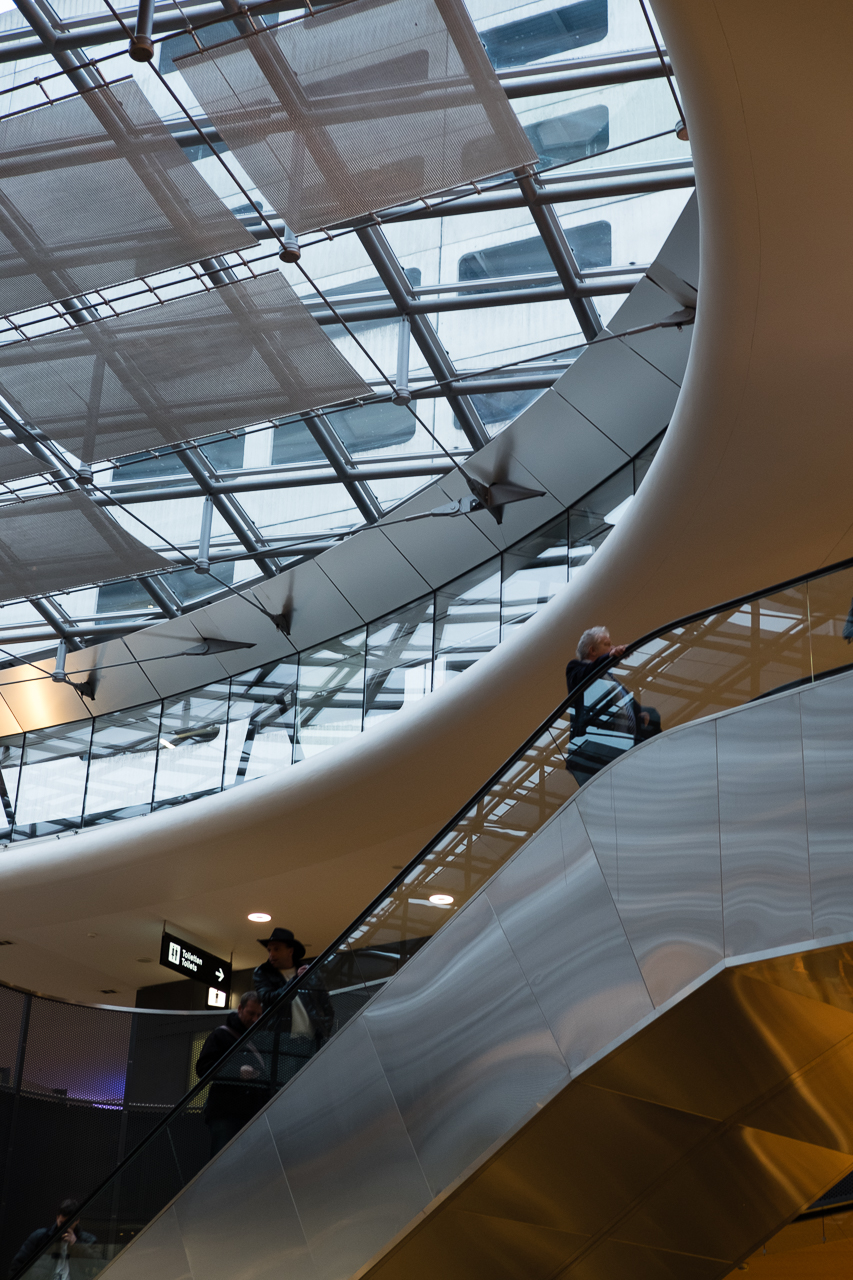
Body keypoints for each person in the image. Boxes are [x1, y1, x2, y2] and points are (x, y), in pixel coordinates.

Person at [565, 626, 659, 786]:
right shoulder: (576, 669)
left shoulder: (609, 680)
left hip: (618, 747)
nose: (612, 647)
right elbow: (585, 675)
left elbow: (625, 704)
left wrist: (642, 713)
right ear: (592, 650)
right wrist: (609, 656)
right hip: (593, 750)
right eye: (607, 644)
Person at [195, 990, 268, 1157]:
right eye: (251, 1013)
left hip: (250, 1113)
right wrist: (236, 1072)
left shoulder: (259, 1038)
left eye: (259, 1015)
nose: (255, 1019)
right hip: (227, 1113)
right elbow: (203, 1068)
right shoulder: (221, 1035)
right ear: (240, 1008)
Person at [252, 928, 334, 1073]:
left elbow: (327, 1007)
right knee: (284, 1084)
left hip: (312, 1043)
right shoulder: (262, 972)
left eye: (276, 949)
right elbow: (269, 999)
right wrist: (296, 980)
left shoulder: (310, 973)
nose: (271, 954)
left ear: (290, 951)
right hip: (282, 1044)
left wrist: (322, 1034)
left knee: (313, 1083)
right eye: (269, 950)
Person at [9, 1201, 97, 1280]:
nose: (65, 1227)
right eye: (62, 1223)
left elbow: (96, 1264)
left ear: (77, 1220)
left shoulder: (88, 1240)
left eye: (69, 1224)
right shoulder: (40, 1236)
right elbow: (18, 1264)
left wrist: (76, 1245)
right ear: (57, 1217)